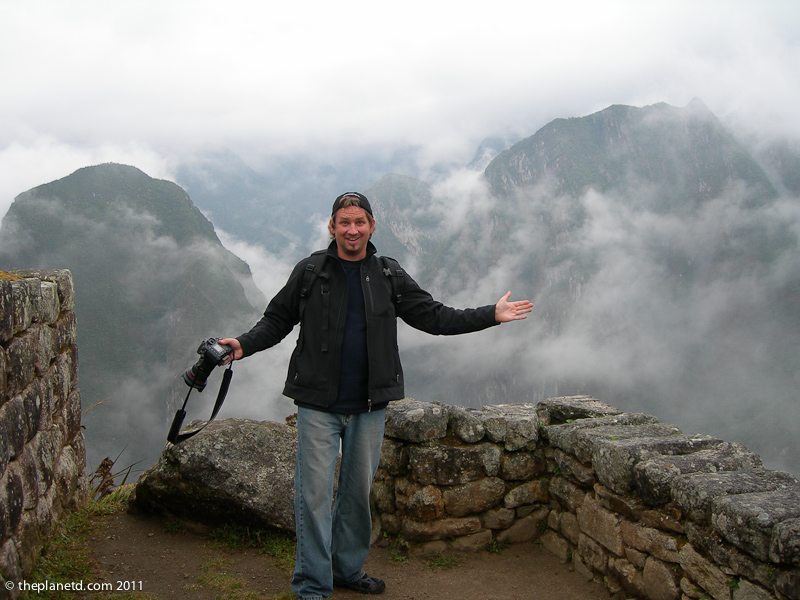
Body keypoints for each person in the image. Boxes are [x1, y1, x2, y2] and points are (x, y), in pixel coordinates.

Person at [220, 192, 533, 600]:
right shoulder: (311, 272)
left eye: (360, 222)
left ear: (372, 226)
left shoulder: (388, 275)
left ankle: (347, 569)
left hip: (369, 405)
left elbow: (434, 316)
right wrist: (243, 344)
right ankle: (313, 585)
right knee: (312, 497)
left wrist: (489, 314)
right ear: (331, 227)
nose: (352, 230)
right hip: (317, 403)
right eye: (344, 222)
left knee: (355, 496)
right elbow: (277, 319)